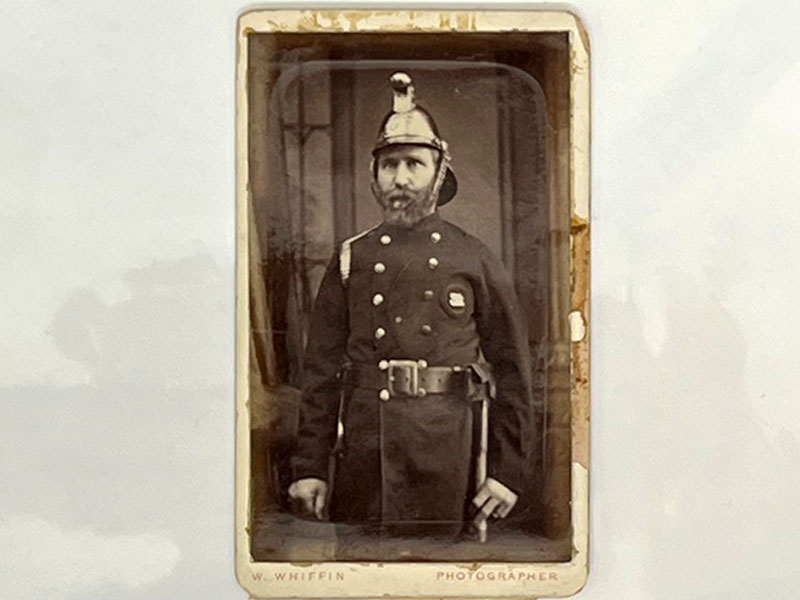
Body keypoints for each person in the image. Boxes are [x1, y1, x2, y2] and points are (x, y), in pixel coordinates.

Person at [288, 72, 534, 540]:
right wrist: (310, 466)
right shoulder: (350, 258)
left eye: (414, 164)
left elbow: (514, 372)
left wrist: (507, 472)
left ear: (439, 172)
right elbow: (319, 373)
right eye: (389, 165)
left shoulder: (474, 257)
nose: (400, 178)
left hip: (450, 450)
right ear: (374, 175)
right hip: (366, 451)